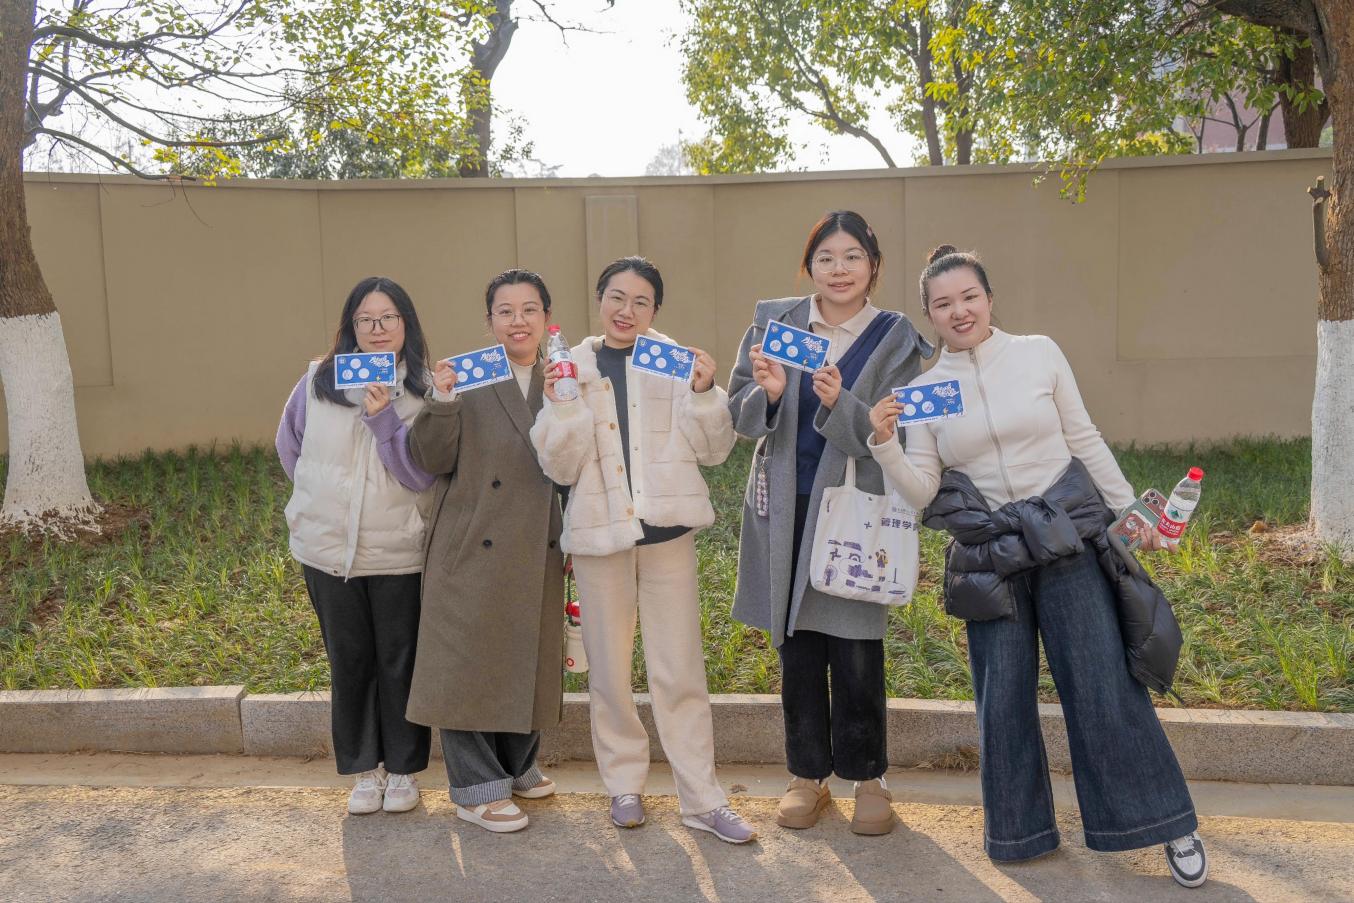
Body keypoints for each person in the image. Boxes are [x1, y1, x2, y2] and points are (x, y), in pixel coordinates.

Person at [867, 245, 1207, 888]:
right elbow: (921, 491)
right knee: (1002, 701)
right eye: (943, 304)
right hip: (989, 555)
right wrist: (886, 445)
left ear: (989, 298)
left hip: (1065, 538)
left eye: (969, 297)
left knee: (1104, 686)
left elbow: (1084, 439)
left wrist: (1132, 513)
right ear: (929, 315)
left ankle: (1165, 823)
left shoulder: (1038, 353)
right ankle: (1019, 834)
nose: (959, 311)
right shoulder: (923, 393)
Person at [530, 256, 756, 844]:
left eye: (640, 301)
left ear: (655, 310)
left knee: (680, 670)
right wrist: (562, 405)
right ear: (599, 299)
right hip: (600, 539)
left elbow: (714, 451)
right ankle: (623, 785)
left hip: (667, 537)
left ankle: (702, 798)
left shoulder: (673, 362)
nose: (626, 310)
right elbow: (558, 466)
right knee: (608, 671)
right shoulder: (571, 367)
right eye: (616, 297)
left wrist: (704, 393)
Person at [727, 211, 932, 836]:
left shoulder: (896, 338)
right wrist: (767, 393)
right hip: (785, 508)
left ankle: (869, 776)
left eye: (852, 257)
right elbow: (740, 416)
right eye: (825, 258)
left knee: (856, 646)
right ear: (808, 266)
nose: (838, 270)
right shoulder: (776, 324)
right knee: (796, 646)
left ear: (874, 265)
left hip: (855, 510)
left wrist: (840, 403)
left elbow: (893, 431)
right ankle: (806, 775)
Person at [403, 268, 565, 834]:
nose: (518, 321)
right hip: (471, 542)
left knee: (527, 649)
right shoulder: (468, 375)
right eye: (505, 311)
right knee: (468, 662)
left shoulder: (562, 375)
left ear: (547, 317)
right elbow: (430, 458)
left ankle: (517, 765)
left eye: (529, 309)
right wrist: (442, 399)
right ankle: (475, 788)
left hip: (538, 542)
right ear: (489, 320)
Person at [276, 276, 435, 815]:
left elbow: (421, 475)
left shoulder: (425, 390)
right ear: (350, 327)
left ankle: (404, 770)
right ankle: (366, 771)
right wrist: (318, 501)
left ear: (406, 324)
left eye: (388, 318)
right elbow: (290, 447)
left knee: (399, 662)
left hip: (399, 552)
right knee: (349, 662)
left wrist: (383, 418)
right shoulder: (317, 381)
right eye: (365, 319)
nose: (377, 328)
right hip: (327, 553)